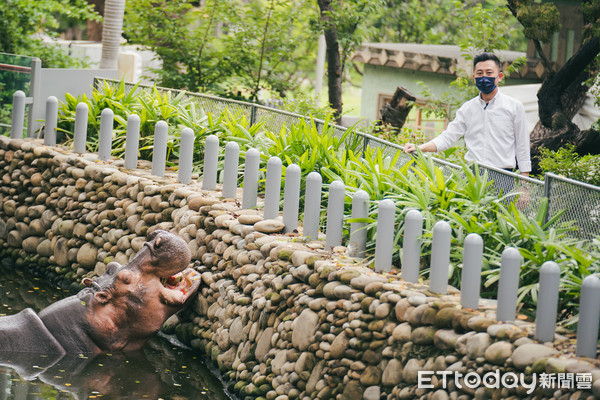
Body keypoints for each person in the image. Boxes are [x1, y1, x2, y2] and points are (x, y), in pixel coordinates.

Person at [403, 52, 531, 176]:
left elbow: (522, 147)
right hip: (471, 175)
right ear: (474, 78)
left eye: (489, 73)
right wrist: (420, 147)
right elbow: (448, 138)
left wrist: (524, 185)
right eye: (480, 73)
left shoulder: (514, 107)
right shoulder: (467, 109)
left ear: (500, 76)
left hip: (503, 176)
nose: (484, 77)